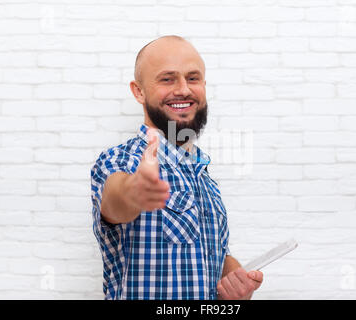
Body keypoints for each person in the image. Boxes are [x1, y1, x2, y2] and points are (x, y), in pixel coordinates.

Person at [90, 35, 263, 300]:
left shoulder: (206, 179)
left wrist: (234, 281)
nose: (183, 89)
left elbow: (213, 257)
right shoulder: (121, 161)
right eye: (167, 79)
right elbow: (115, 201)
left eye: (193, 78)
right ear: (139, 91)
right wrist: (134, 190)